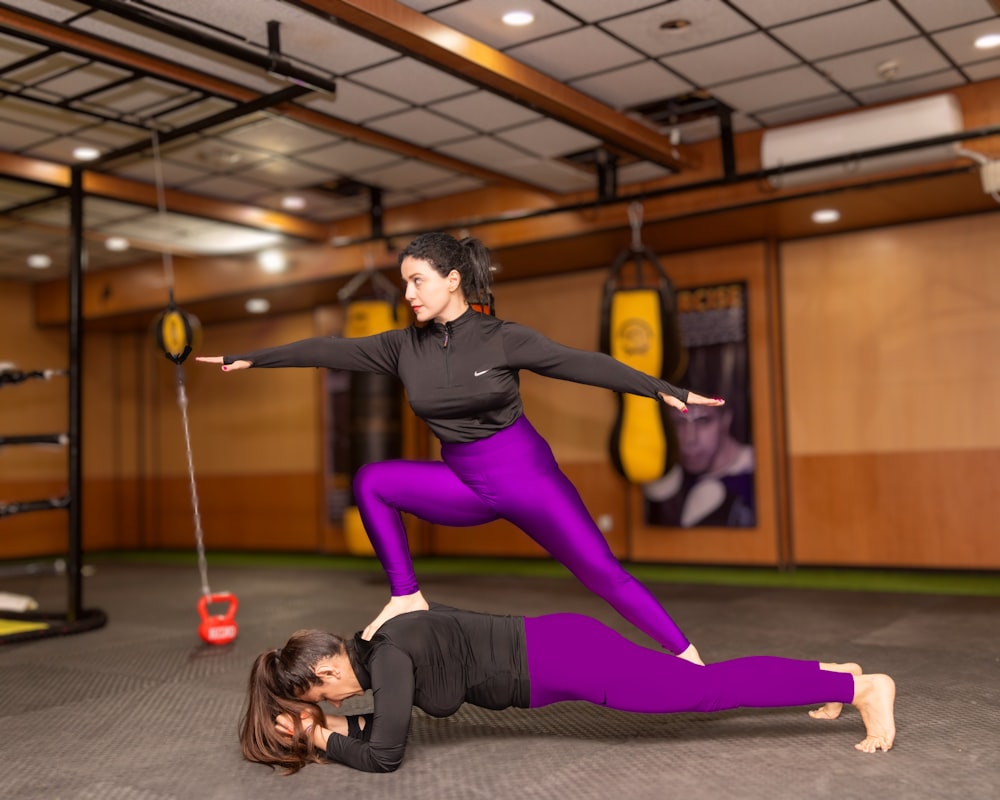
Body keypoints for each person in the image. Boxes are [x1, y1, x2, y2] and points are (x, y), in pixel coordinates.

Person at [197, 232, 725, 663]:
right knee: (373, 481)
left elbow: (584, 363)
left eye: (417, 281)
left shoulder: (501, 337)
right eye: (405, 283)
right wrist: (251, 357)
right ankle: (405, 594)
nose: (409, 293)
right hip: (465, 485)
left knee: (604, 574)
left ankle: (687, 654)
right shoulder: (400, 346)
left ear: (452, 281)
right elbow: (328, 349)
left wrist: (669, 391)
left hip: (529, 481)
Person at [239, 603, 897, 774]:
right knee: (703, 686)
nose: (335, 705)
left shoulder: (387, 663)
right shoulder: (384, 648)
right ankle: (831, 677)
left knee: (703, 693)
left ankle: (863, 689)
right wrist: (320, 737)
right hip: (560, 646)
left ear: (326, 671)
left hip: (570, 662)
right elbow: (385, 724)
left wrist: (323, 736)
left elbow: (385, 753)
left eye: (324, 698)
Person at [644, 402, 755, 527]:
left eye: (702, 421)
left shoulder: (759, 470)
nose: (690, 439)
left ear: (726, 419)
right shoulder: (667, 479)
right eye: (679, 423)